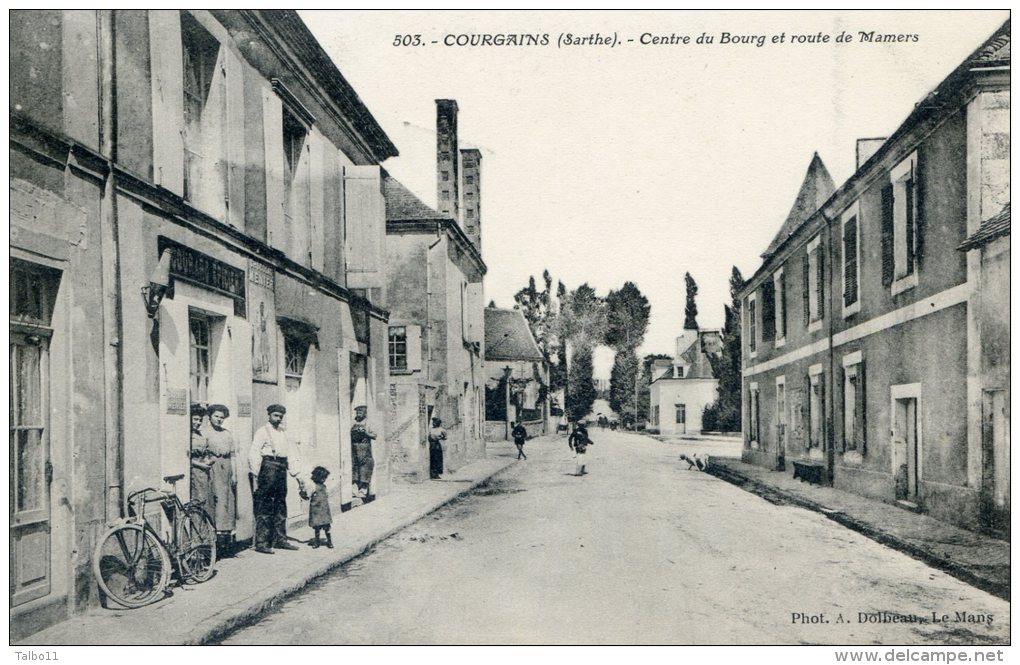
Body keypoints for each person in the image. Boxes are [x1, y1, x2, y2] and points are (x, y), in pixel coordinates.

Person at [248, 404, 305, 554]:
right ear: (269, 415)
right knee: (265, 505)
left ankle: (280, 539)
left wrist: (297, 474)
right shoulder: (262, 432)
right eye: (275, 415)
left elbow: (291, 453)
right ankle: (262, 542)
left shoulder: (284, 432)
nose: (278, 419)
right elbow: (254, 453)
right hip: (267, 467)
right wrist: (256, 474)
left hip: (281, 467)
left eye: (280, 416)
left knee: (281, 503)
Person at [204, 404, 237, 535]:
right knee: (216, 500)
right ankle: (214, 532)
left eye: (222, 417)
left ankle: (226, 533)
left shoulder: (227, 433)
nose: (219, 419)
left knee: (227, 501)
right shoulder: (204, 432)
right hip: (213, 467)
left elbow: (233, 455)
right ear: (210, 416)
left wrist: (234, 474)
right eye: (216, 416)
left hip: (227, 468)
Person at [189, 404, 213, 514]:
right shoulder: (187, 435)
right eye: (195, 419)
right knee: (196, 502)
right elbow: (186, 458)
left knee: (205, 501)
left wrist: (208, 460)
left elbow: (205, 451)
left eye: (200, 420)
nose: (198, 423)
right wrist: (201, 465)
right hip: (193, 472)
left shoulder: (200, 434)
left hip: (204, 473)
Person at [350, 406, 377, 498]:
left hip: (365, 448)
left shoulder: (368, 423)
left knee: (365, 468)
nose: (358, 414)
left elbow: (374, 435)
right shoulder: (353, 422)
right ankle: (354, 490)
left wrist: (366, 433)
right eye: (357, 412)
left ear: (365, 413)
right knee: (355, 468)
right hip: (354, 448)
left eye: (360, 412)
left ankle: (363, 490)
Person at [308, 466, 333, 549]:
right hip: (316, 510)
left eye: (325, 478)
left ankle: (329, 542)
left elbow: (327, 495)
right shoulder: (313, 487)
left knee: (327, 527)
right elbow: (308, 495)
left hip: (324, 510)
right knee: (317, 527)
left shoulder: (324, 487)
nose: (324, 480)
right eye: (323, 478)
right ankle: (317, 542)